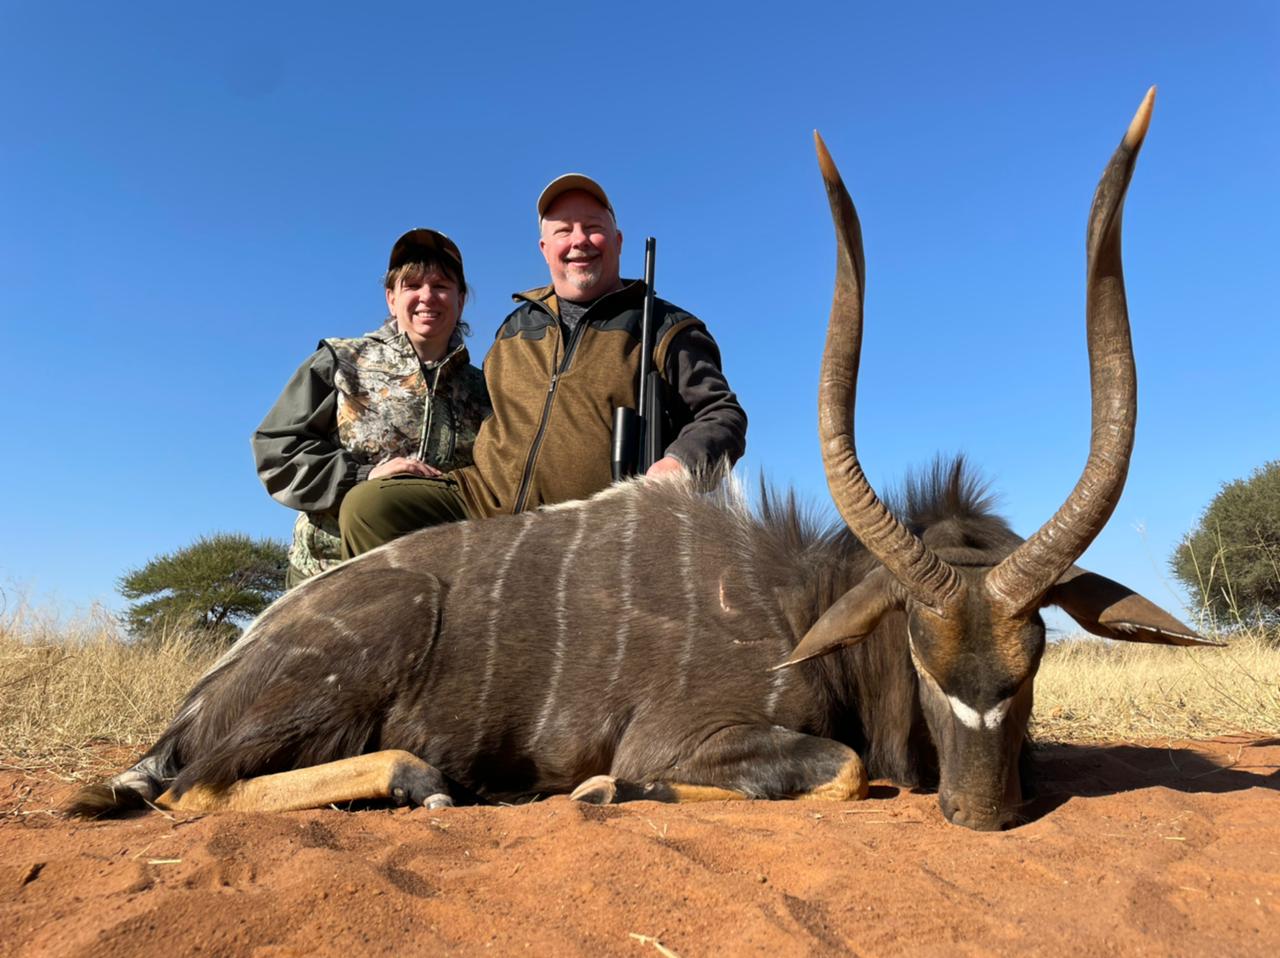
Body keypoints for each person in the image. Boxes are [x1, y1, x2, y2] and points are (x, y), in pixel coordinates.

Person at [338, 173, 747, 556]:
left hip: (589, 522)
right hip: (483, 502)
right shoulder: (515, 326)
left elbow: (721, 414)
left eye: (593, 227)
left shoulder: (666, 326)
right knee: (370, 508)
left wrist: (679, 464)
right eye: (563, 230)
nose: (579, 240)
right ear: (545, 248)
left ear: (618, 241)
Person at [253, 229, 491, 586]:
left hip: (440, 581)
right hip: (328, 579)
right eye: (412, 285)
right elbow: (277, 451)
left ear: (460, 299)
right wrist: (362, 476)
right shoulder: (340, 361)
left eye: (441, 285)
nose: (427, 296)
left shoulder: (485, 388)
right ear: (391, 298)